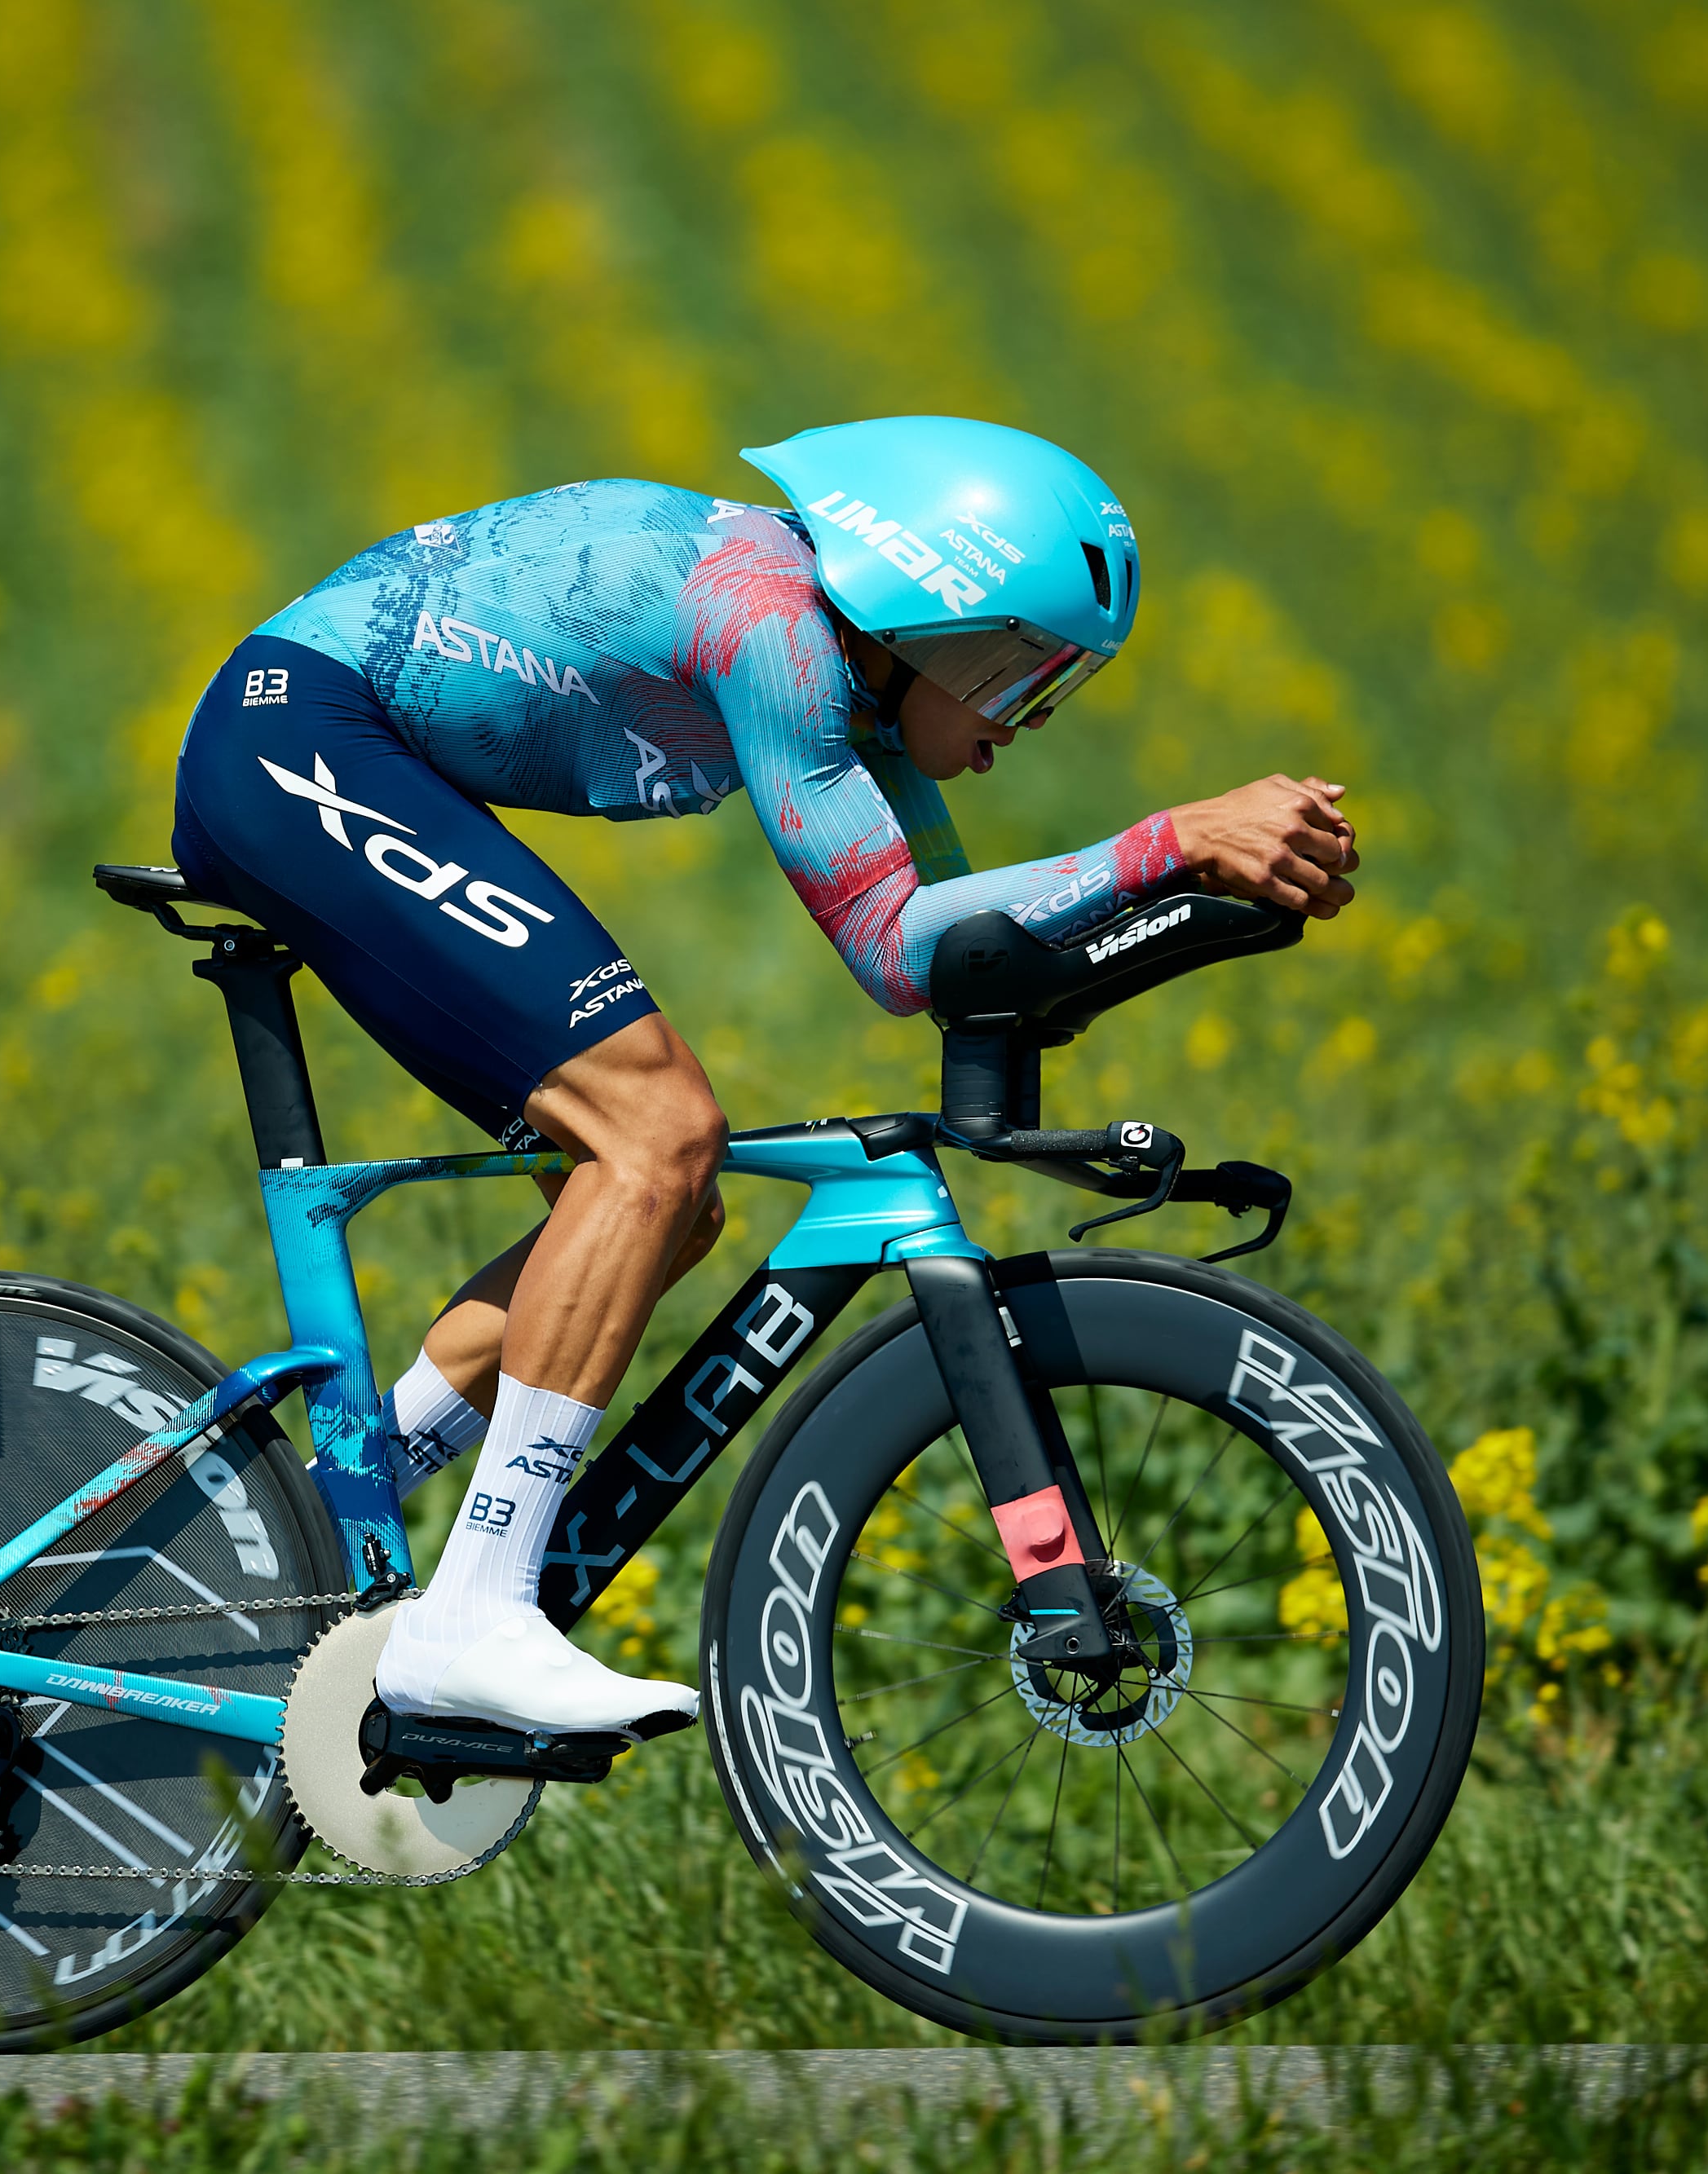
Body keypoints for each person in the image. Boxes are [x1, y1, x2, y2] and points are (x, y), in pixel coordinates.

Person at [167, 417, 1359, 1738]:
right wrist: (1176, 835)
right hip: (300, 738)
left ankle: (341, 1508)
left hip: (322, 745)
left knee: (666, 1200)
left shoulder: (854, 678)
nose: (1022, 727)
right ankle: (473, 1615)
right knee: (658, 1137)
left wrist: (1192, 901)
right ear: (934, 618)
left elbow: (963, 953)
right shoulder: (771, 623)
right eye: (1023, 679)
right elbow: (898, 947)